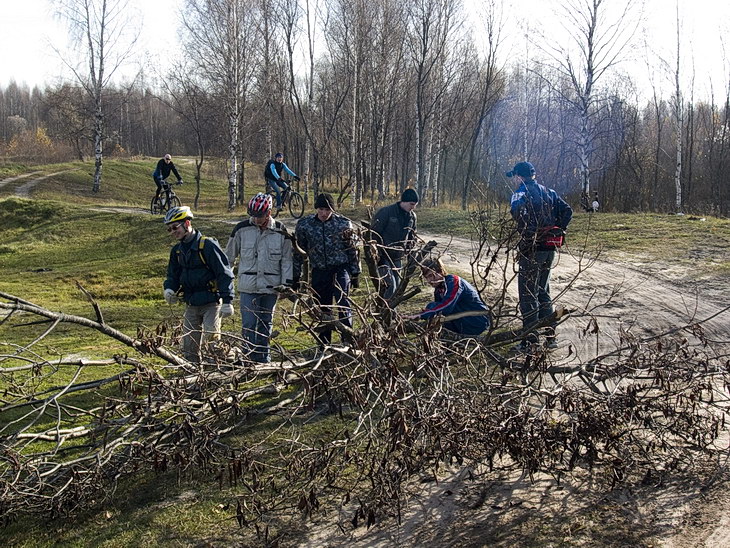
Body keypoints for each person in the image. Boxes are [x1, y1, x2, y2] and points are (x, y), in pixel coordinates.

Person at [507, 161, 572, 352]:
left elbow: (516, 213)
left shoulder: (520, 193)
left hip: (531, 248)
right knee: (543, 291)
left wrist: (531, 232)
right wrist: (557, 229)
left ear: (519, 176)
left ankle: (530, 341)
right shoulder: (549, 192)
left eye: (515, 177)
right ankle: (550, 338)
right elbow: (567, 211)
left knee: (528, 294)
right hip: (549, 248)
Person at [225, 193, 293, 363]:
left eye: (259, 216)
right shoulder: (241, 229)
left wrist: (286, 284)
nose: (255, 219)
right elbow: (229, 258)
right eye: (253, 215)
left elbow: (287, 260)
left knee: (265, 322)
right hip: (248, 286)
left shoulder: (281, 230)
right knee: (248, 323)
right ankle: (248, 358)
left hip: (271, 286)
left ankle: (263, 358)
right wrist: (225, 283)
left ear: (268, 213)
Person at [162, 206, 235, 362]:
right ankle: (192, 373)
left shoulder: (207, 245)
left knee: (212, 343)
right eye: (169, 229)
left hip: (211, 303)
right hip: (191, 303)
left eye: (175, 227)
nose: (173, 232)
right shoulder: (177, 251)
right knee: (189, 347)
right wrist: (169, 289)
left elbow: (224, 273)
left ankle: (231, 360)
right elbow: (173, 275)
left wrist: (227, 301)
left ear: (187, 223)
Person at [293, 193, 360, 347]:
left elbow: (352, 250)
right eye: (321, 209)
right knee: (323, 308)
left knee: (343, 303)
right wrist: (296, 276)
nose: (324, 213)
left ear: (333, 210)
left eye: (327, 210)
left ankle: (347, 340)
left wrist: (355, 273)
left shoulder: (343, 224)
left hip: (340, 269)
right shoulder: (305, 225)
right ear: (316, 208)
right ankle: (324, 344)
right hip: (319, 270)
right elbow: (298, 251)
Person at [405, 258, 490, 336]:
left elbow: (447, 306)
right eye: (426, 277)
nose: (429, 281)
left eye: (431, 275)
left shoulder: (454, 282)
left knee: (433, 307)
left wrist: (422, 315)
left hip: (477, 320)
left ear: (440, 271)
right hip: (462, 321)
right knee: (434, 314)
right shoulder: (438, 290)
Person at [370, 188, 419, 300]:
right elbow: (374, 234)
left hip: (397, 257)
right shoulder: (386, 212)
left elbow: (412, 237)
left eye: (415, 205)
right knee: (390, 286)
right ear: (404, 201)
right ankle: (385, 309)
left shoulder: (412, 217)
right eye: (412, 204)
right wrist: (378, 255)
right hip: (383, 256)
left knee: (397, 289)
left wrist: (410, 253)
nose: (413, 207)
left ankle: (392, 310)